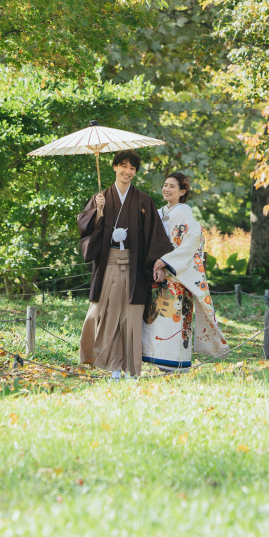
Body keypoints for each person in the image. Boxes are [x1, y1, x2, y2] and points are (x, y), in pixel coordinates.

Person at [77, 149, 171, 379]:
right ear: (114, 167)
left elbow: (154, 234)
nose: (128, 171)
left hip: (134, 265)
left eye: (132, 168)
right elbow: (85, 227)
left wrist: (159, 265)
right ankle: (109, 365)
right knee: (104, 312)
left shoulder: (143, 200)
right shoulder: (101, 198)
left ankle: (129, 368)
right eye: (124, 166)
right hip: (108, 263)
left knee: (130, 315)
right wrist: (98, 213)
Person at [141, 171, 230, 372]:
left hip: (177, 276)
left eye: (172, 186)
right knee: (157, 320)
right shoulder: (160, 212)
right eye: (165, 185)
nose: (166, 189)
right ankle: (158, 361)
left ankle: (176, 364)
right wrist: (156, 263)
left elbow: (192, 241)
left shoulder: (185, 213)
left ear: (182, 191)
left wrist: (166, 261)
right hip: (159, 274)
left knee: (175, 320)